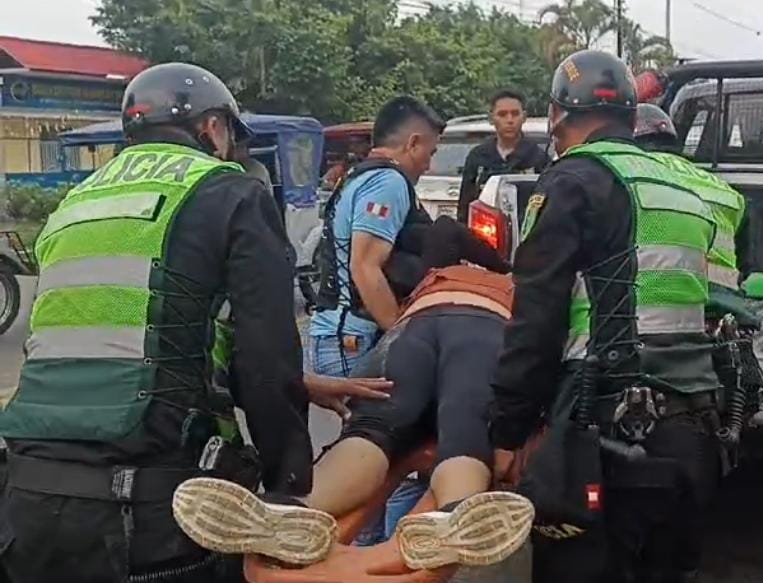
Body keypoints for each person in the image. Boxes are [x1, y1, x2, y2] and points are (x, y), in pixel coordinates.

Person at [0, 62, 386, 583]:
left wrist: (304, 383)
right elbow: (265, 361)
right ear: (212, 129)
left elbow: (124, 341)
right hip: (152, 518)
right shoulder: (231, 192)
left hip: (26, 505)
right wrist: (288, 489)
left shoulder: (77, 203)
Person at [488, 50, 731, 583]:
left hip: (602, 428)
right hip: (693, 426)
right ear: (629, 113)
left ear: (556, 116)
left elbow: (536, 318)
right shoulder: (681, 185)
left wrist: (508, 432)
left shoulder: (573, 179)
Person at [172, 263, 533, 571]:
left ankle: (292, 508)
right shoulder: (514, 287)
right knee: (466, 428)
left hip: (411, 331)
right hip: (488, 328)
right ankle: (452, 515)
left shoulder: (432, 279)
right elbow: (541, 349)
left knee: (370, 430)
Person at [309, 96, 445, 379]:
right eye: (430, 153)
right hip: (357, 339)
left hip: (343, 336)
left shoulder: (360, 175)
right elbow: (365, 267)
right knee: (378, 422)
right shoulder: (388, 182)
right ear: (413, 143)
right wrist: (402, 339)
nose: (428, 166)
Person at [633, 103, 759, 328]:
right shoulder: (726, 191)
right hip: (726, 312)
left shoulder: (629, 176)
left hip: (656, 314)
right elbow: (744, 265)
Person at [456, 90, 550, 222]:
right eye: (502, 114)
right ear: (491, 118)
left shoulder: (538, 157)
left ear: (524, 117)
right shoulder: (477, 157)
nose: (509, 120)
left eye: (515, 114)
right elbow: (465, 205)